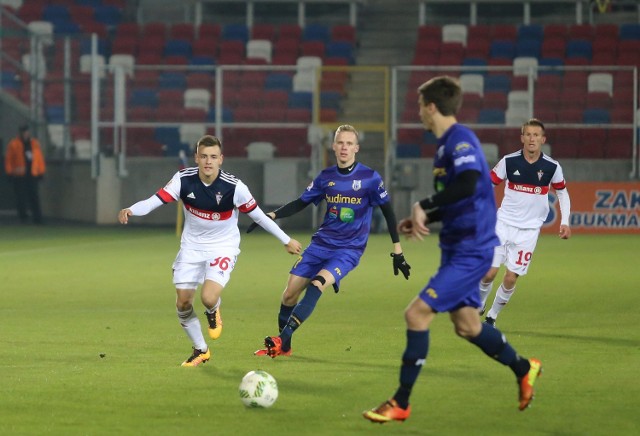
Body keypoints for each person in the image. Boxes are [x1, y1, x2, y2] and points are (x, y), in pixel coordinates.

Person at [363, 76, 542, 424]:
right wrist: (426, 215)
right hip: (457, 247)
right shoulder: (446, 145)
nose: (418, 114)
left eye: (420, 107)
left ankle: (401, 402)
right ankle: (524, 367)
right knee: (468, 326)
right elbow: (465, 197)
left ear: (432, 107)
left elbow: (470, 181)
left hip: (471, 251)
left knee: (416, 314)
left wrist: (425, 203)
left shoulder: (460, 140)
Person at [118, 135, 302, 367]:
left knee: (208, 297)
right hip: (191, 248)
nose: (208, 161)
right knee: (183, 303)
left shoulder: (234, 187)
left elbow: (258, 216)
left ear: (221, 159)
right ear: (196, 158)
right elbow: (155, 200)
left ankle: (213, 310)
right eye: (203, 156)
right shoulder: (183, 180)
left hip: (222, 248)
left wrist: (286, 240)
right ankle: (200, 350)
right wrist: (131, 210)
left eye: (213, 157)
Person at [251, 124, 411, 358]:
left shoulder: (369, 178)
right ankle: (284, 347)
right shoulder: (326, 177)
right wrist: (272, 215)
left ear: (356, 148)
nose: (344, 147)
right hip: (320, 245)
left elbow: (388, 212)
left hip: (348, 250)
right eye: (340, 143)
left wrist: (398, 250)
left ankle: (280, 340)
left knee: (317, 284)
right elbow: (301, 202)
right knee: (288, 295)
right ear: (334, 147)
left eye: (349, 143)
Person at [480, 118, 571, 326]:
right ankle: (480, 303)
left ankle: (492, 317)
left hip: (528, 232)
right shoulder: (508, 161)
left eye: (536, 135)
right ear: (522, 138)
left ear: (543, 139)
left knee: (511, 278)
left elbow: (563, 193)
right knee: (489, 272)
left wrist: (564, 221)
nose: (532, 139)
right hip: (502, 225)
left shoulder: (552, 167)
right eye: (528, 134)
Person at [4, 124, 46, 224]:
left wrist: (41, 171)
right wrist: (9, 172)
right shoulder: (13, 144)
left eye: (26, 132)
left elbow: (39, 158)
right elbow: (9, 159)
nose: (25, 134)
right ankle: (23, 217)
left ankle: (37, 218)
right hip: (20, 174)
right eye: (24, 132)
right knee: (21, 197)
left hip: (32, 173)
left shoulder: (34, 143)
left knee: (34, 196)